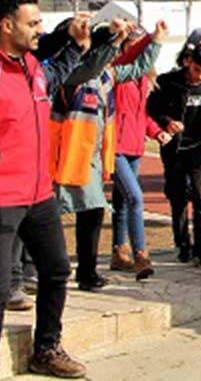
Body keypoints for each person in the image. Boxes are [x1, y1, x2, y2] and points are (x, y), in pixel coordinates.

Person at [0, 0, 110, 380]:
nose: (38, 29)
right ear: (7, 25)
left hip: (38, 194)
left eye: (40, 23)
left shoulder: (35, 68)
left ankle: (47, 349)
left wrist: (78, 42)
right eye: (32, 23)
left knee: (56, 271)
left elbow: (62, 70)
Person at [52, 19, 158, 291]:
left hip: (93, 158)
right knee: (49, 215)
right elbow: (93, 65)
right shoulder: (73, 75)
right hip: (67, 155)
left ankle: (86, 272)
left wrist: (156, 41)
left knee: (93, 212)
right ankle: (36, 270)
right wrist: (114, 41)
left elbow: (139, 68)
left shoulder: (108, 75)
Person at [148, 41, 201, 270]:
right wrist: (167, 122)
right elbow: (152, 109)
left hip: (200, 149)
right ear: (188, 61)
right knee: (178, 198)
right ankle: (182, 244)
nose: (199, 76)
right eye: (197, 70)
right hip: (175, 149)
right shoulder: (167, 82)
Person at [111, 57, 168, 281]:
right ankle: (140, 253)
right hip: (116, 145)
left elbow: (142, 115)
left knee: (122, 200)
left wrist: (156, 132)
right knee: (135, 197)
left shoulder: (145, 80)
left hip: (135, 146)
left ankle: (118, 250)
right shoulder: (117, 74)